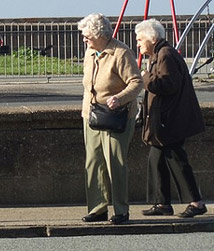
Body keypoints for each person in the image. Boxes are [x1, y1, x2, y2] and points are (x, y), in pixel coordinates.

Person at [135, 19, 207, 218]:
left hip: (171, 120)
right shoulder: (160, 53)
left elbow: (168, 84)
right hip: (166, 119)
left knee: (176, 159)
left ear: (152, 38)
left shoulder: (165, 54)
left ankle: (196, 202)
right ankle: (162, 203)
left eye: (140, 39)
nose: (138, 43)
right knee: (156, 159)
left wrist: (145, 77)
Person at [78, 13, 143, 224]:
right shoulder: (90, 52)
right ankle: (98, 208)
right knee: (93, 163)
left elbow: (136, 82)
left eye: (87, 35)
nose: (84, 39)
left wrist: (120, 98)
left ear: (100, 34)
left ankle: (121, 210)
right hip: (92, 115)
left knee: (116, 162)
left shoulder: (121, 53)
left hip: (117, 116)